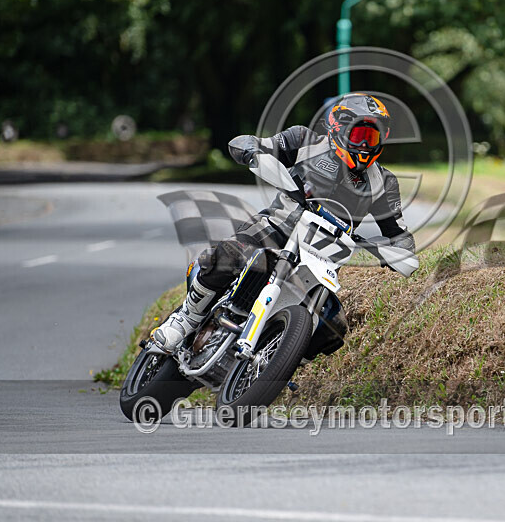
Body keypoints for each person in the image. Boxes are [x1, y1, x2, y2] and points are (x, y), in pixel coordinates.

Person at [153, 93, 416, 353]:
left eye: (372, 137)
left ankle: (275, 357)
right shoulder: (303, 140)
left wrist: (398, 252)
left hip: (322, 258)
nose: (365, 145)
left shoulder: (384, 182)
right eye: (360, 135)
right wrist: (252, 153)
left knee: (332, 327)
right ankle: (186, 318)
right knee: (228, 256)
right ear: (339, 128)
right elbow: (246, 143)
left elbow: (400, 235)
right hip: (275, 228)